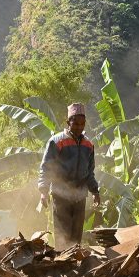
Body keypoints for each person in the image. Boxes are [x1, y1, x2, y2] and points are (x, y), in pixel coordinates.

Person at [38, 103, 100, 249]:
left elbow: (89, 172)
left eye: (82, 124)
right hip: (61, 195)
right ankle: (62, 264)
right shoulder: (56, 141)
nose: (79, 127)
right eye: (76, 123)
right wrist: (43, 191)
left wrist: (95, 191)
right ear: (68, 123)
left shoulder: (88, 145)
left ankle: (75, 266)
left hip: (80, 196)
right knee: (62, 235)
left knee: (76, 236)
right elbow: (47, 167)